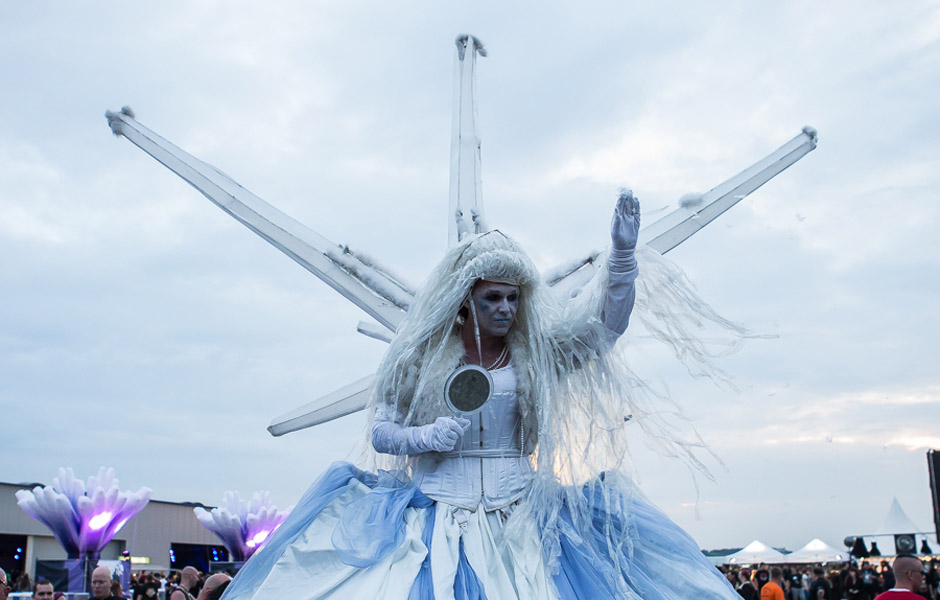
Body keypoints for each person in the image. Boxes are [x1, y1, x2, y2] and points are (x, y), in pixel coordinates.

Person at [220, 191, 741, 599]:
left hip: (524, 514)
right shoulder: (416, 359)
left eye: (514, 298)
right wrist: (424, 435)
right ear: (465, 300)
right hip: (434, 514)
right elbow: (381, 431)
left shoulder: (533, 356)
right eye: (494, 297)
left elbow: (602, 332)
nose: (506, 309)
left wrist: (622, 260)